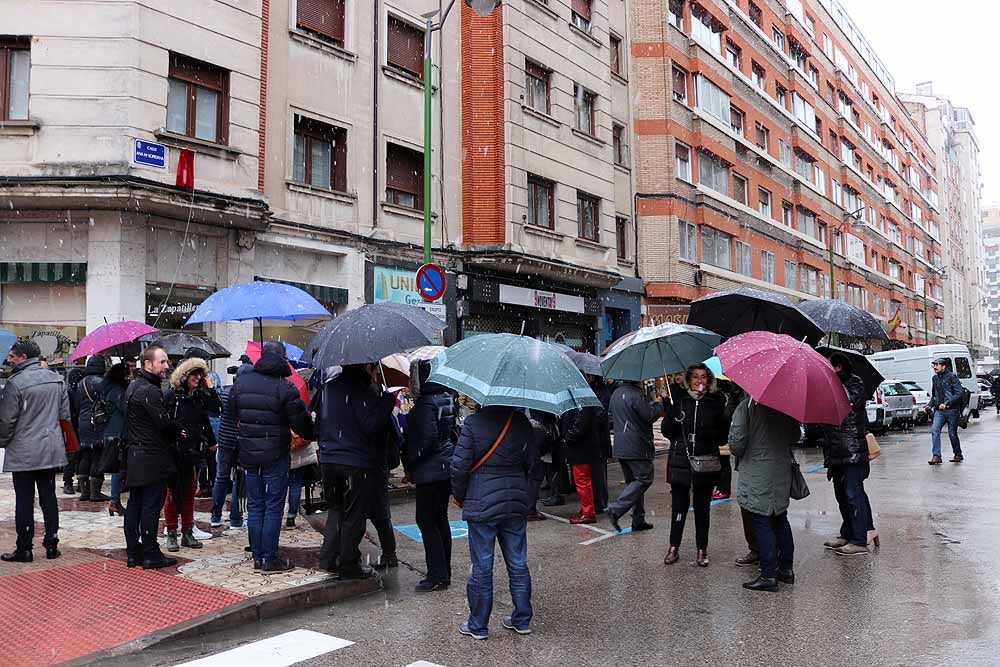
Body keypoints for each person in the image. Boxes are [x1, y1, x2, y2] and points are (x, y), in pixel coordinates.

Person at [452, 403, 536, 640]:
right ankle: (522, 619)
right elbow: (533, 465)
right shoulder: (521, 423)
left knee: (482, 565)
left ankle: (478, 624)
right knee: (518, 562)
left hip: (482, 502)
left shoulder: (473, 424)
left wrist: (461, 496)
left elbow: (459, 467)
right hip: (516, 501)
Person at [229, 341, 313, 573]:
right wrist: (310, 430)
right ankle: (269, 558)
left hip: (249, 454)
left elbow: (232, 413)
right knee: (274, 507)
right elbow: (302, 424)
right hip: (275, 455)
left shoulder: (241, 383)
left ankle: (257, 556)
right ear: (283, 359)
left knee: (255, 506)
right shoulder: (285, 388)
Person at [315, 364, 396, 579]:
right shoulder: (362, 389)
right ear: (366, 366)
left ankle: (329, 558)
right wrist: (387, 402)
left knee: (336, 509)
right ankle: (349, 563)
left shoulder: (327, 388)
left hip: (328, 460)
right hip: (354, 462)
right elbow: (371, 425)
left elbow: (316, 422)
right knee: (354, 514)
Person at [0, 340, 76, 562]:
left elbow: (7, 421)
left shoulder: (16, 383)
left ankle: (24, 548)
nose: (10, 359)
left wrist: (4, 441)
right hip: (50, 449)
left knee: (24, 500)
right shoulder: (56, 379)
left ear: (23, 357)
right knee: (49, 497)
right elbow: (64, 417)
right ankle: (51, 544)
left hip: (24, 450)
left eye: (13, 356)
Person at [729, 396, 802, 592]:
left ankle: (768, 574)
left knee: (761, 520)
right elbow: (795, 436)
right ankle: (786, 569)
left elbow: (736, 444)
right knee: (780, 519)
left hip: (757, 472)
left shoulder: (746, 407)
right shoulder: (787, 405)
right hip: (781, 471)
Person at [660, 364, 729, 567]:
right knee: (679, 507)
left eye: (704, 377)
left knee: (702, 508)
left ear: (709, 381)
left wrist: (710, 433)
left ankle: (702, 548)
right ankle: (674, 546)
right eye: (696, 377)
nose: (700, 381)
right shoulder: (680, 401)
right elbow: (667, 432)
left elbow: (723, 436)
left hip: (705, 461)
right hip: (680, 461)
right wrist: (672, 416)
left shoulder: (716, 403)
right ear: (689, 380)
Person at [122, 345, 181, 569]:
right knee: (150, 505)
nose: (167, 366)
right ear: (148, 364)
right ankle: (150, 552)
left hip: (136, 454)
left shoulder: (134, 386)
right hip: (151, 456)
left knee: (136, 503)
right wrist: (178, 429)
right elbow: (163, 424)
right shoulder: (148, 390)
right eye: (162, 362)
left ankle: (133, 551)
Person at [402, 360, 457, 592]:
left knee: (426, 521)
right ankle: (444, 571)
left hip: (430, 471)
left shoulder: (425, 405)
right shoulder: (445, 398)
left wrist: (410, 461)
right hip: (444, 467)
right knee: (439, 519)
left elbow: (427, 440)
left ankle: (436, 575)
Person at [820, 353, 874, 557]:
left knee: (853, 493)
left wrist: (833, 385)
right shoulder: (829, 385)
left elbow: (851, 402)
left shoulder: (855, 383)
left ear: (839, 367)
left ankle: (859, 540)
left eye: (831, 366)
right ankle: (847, 532)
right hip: (834, 449)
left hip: (851, 449)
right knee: (841, 494)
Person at [163, 358, 220, 552]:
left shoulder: (198, 396)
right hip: (175, 451)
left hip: (194, 450)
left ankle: (187, 531)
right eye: (194, 374)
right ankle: (171, 532)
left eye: (200, 374)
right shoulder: (172, 396)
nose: (197, 378)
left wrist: (210, 387)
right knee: (173, 493)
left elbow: (214, 410)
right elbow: (164, 422)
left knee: (189, 492)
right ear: (185, 376)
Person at [606, 380, 665, 533]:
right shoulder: (636, 394)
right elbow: (649, 415)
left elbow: (611, 416)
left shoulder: (616, 393)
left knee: (633, 483)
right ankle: (616, 508)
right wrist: (658, 403)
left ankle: (638, 519)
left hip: (621, 444)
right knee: (644, 478)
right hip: (637, 444)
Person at [211, 359, 253, 529]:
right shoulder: (250, 397)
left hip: (225, 441)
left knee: (221, 477)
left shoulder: (225, 393)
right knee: (240, 479)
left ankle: (216, 516)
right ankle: (236, 519)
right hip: (242, 442)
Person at [74, 355, 109, 502]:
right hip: (98, 422)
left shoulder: (80, 383)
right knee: (97, 454)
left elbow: (76, 404)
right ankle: (95, 493)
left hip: (83, 421)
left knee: (85, 454)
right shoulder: (102, 382)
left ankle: (84, 492)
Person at [560, 403, 601, 524]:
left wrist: (568, 437)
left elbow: (580, 426)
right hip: (581, 448)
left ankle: (588, 512)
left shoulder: (582, 404)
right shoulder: (582, 403)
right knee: (582, 481)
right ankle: (586, 509)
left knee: (582, 481)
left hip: (581, 449)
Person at [923, 357, 964, 465]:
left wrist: (946, 404)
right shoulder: (935, 378)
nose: (935, 367)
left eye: (937, 365)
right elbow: (934, 396)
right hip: (939, 412)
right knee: (934, 430)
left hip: (952, 410)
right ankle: (936, 456)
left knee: (952, 433)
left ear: (944, 366)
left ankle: (958, 454)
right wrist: (929, 405)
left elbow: (959, 393)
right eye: (934, 365)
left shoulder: (952, 376)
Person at [102, 362, 130, 516]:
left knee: (118, 468)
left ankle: (115, 501)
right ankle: (114, 501)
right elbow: (125, 408)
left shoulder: (108, 388)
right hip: (118, 433)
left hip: (112, 431)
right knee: (118, 468)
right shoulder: (116, 391)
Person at [590, 376, 613, 514]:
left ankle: (600, 501)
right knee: (597, 471)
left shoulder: (602, 393)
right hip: (596, 438)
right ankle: (599, 499)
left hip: (599, 439)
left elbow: (601, 415)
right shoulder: (596, 390)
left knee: (599, 471)